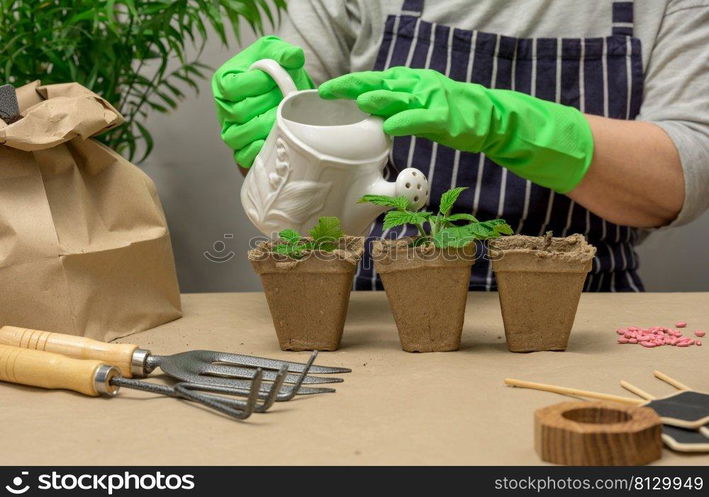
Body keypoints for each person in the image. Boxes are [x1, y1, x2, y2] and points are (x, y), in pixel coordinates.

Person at [212, 0, 709, 292]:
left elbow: (681, 176)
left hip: (583, 305)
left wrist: (506, 123)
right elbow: (295, 171)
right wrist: (269, 132)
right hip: (371, 308)